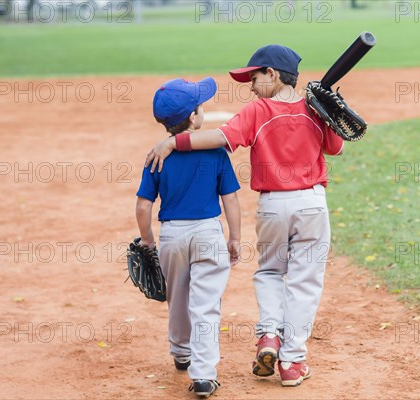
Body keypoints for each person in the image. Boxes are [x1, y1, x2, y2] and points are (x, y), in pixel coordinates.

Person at [145, 45, 344, 387]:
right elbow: (335, 147)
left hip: (272, 206)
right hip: (311, 203)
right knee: (304, 281)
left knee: (269, 271)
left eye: (254, 77)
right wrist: (330, 115)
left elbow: (222, 137)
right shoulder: (314, 107)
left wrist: (173, 143)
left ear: (272, 74)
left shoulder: (258, 110)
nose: (251, 86)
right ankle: (292, 361)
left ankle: (268, 334)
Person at [136, 77, 241, 398]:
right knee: (206, 303)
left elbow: (143, 205)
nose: (203, 110)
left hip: (172, 234)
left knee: (176, 295)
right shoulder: (215, 152)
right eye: (200, 107)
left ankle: (181, 351)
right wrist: (235, 237)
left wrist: (148, 241)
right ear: (194, 118)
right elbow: (231, 199)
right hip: (208, 231)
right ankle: (204, 374)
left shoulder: (157, 156)